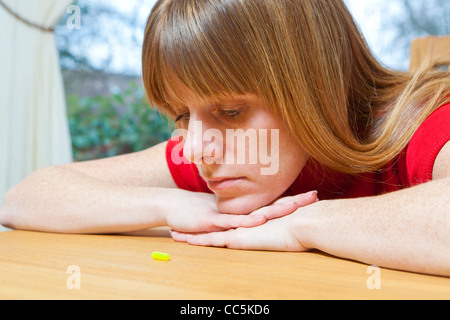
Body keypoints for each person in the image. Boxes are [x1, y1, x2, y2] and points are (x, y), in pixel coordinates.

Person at [1, 0, 449, 276]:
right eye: (180, 114)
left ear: (316, 85)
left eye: (230, 111)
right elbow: (24, 198)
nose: (195, 149)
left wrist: (300, 226)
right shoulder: (222, 154)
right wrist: (171, 205)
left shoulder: (420, 122)